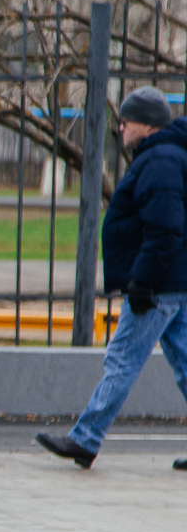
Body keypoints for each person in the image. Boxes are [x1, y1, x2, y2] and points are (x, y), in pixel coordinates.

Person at [36, 87, 187, 470]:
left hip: (159, 286)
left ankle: (85, 439)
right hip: (174, 282)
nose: (120, 128)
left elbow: (166, 228)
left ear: (147, 125)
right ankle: (85, 439)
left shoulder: (160, 160)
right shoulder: (167, 154)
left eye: (126, 121)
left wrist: (143, 281)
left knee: (122, 360)